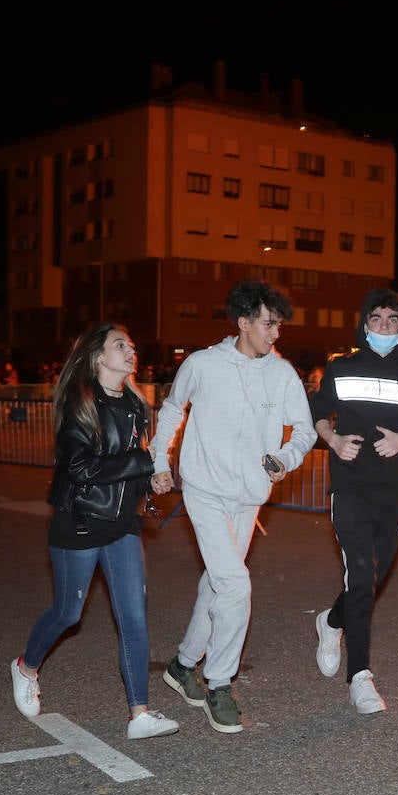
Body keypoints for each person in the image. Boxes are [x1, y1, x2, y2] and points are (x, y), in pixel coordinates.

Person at [150, 280, 315, 733]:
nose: (275, 333)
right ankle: (219, 682)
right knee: (235, 583)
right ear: (243, 323)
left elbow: (304, 430)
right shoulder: (203, 364)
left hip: (250, 495)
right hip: (204, 488)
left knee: (218, 583)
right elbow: (170, 410)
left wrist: (284, 458)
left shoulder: (282, 374)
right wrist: (158, 462)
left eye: (278, 324)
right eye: (268, 323)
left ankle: (183, 665)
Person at [9, 324, 179, 740]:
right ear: (99, 357)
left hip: (123, 525)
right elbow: (81, 469)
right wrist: (142, 464)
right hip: (81, 521)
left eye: (132, 345)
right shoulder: (79, 403)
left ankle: (138, 713)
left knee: (134, 619)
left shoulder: (136, 404)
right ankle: (25, 666)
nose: (130, 350)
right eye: (120, 345)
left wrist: (150, 481)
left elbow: (129, 462)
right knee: (69, 612)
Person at [310, 289, 398, 714]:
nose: (384, 326)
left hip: (393, 491)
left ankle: (331, 622)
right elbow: (317, 411)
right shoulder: (340, 368)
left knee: (371, 578)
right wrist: (332, 439)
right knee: (361, 573)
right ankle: (360, 677)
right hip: (350, 487)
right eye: (377, 318)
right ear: (365, 324)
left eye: (392, 320)